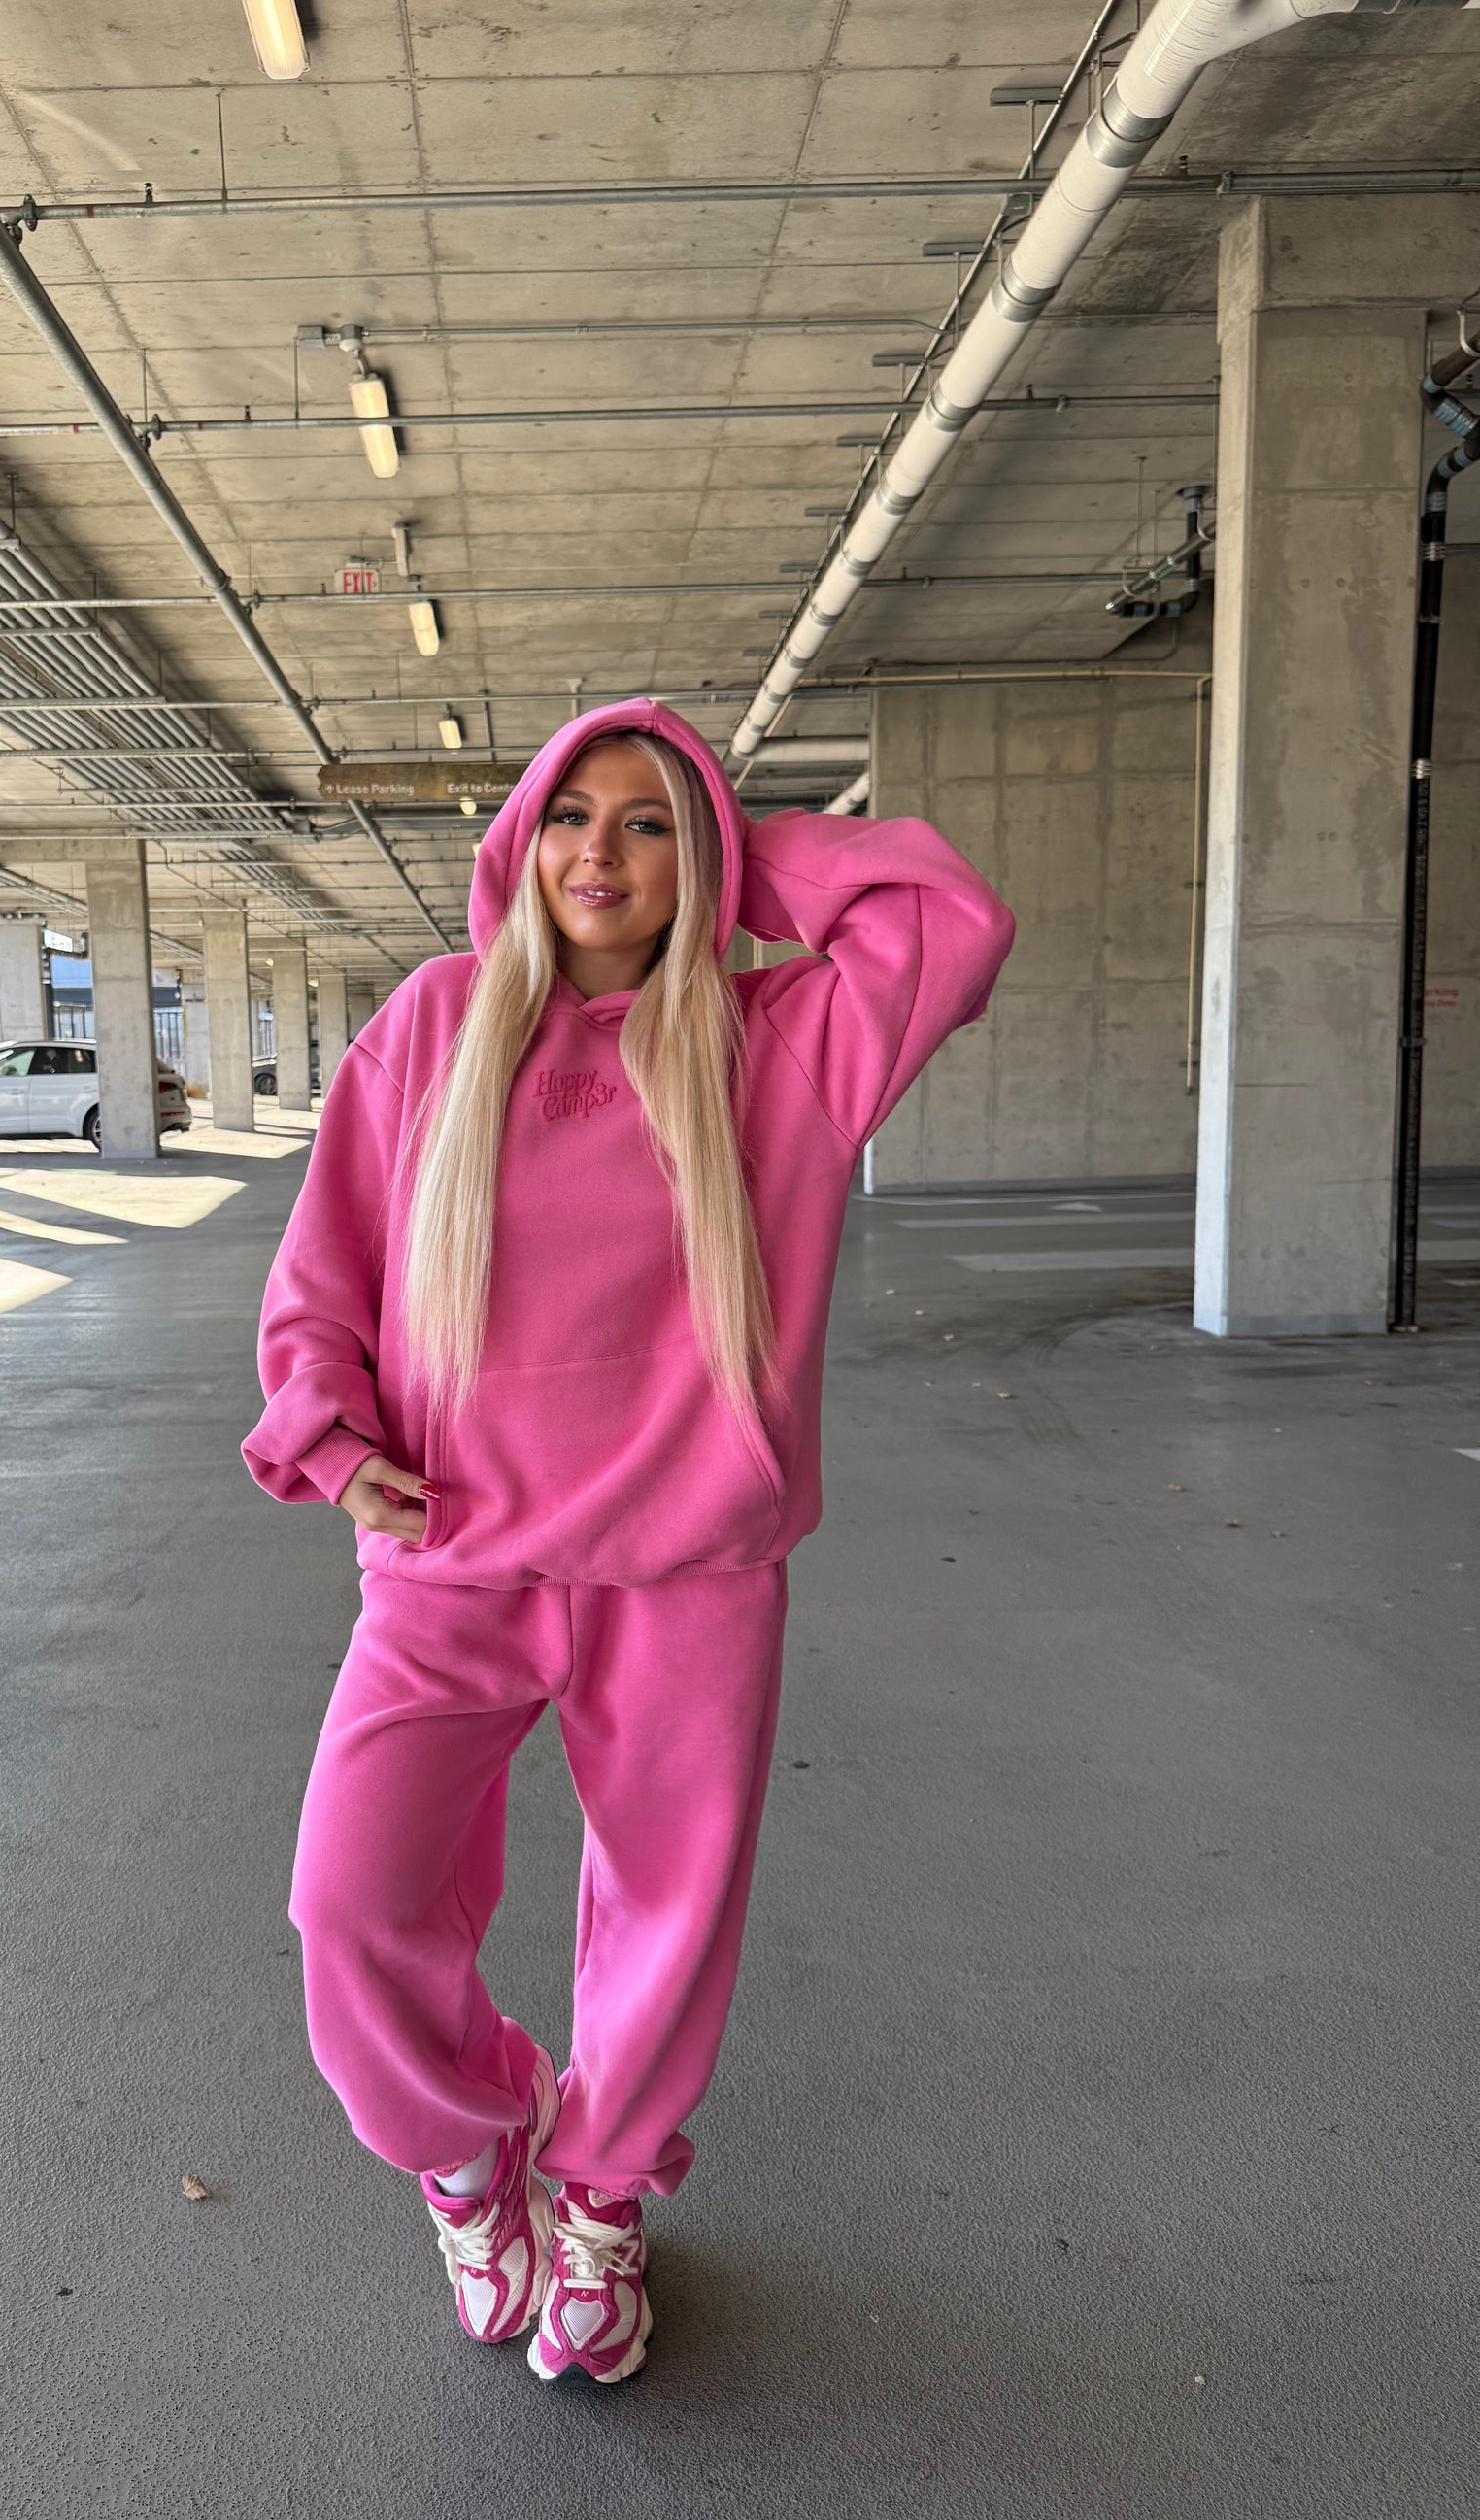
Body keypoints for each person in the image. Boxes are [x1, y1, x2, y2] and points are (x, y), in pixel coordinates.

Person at [243, 697, 1013, 2384]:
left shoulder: (779, 1041)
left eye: (647, 822)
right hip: (452, 1554)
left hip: (688, 1566)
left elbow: (946, 917)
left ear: (701, 859)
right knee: (352, 1903)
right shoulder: (436, 1024)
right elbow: (325, 1273)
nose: (599, 851)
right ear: (518, 840)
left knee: (670, 1907)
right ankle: (471, 2156)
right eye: (569, 815)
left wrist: (736, 849)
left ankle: (599, 2198)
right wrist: (330, 1436)